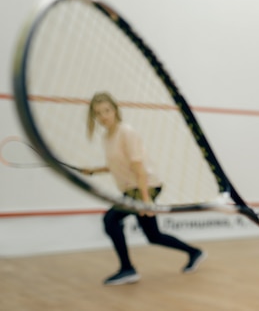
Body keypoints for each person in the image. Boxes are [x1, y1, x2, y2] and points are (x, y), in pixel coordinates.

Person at [83, 91, 206, 286]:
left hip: (145, 186)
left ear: (115, 110)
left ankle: (127, 269)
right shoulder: (107, 137)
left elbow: (139, 169)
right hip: (132, 189)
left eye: (107, 110)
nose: (103, 116)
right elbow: (119, 164)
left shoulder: (126, 132)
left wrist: (146, 200)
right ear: (94, 116)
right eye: (98, 113)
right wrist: (94, 171)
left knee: (110, 220)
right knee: (153, 236)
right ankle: (194, 252)